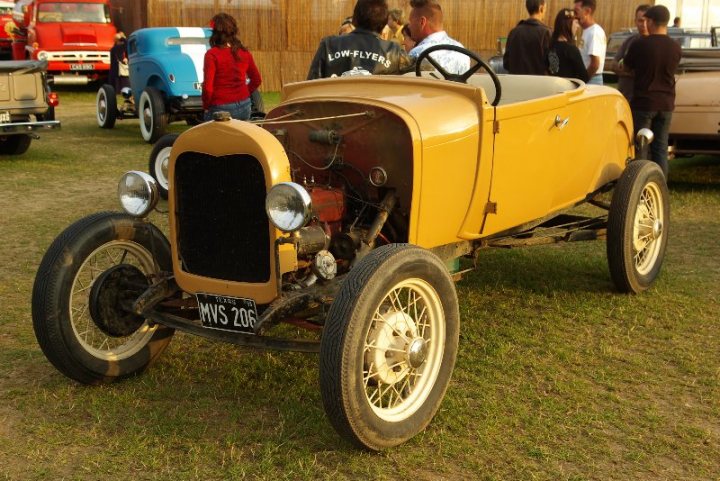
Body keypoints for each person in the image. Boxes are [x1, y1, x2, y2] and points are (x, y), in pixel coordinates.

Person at [622, 5, 681, 178]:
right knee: (661, 148)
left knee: (641, 147)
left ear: (652, 22)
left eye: (646, 20)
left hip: (644, 102)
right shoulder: (675, 47)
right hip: (666, 103)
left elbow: (627, 67)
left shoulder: (640, 44)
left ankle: (640, 184)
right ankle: (660, 186)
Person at [307, 0, 412, 80]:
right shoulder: (395, 52)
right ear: (385, 23)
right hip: (378, 109)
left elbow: (311, 86)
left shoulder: (328, 45)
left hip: (333, 108)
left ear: (354, 19)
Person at [202, 13, 261, 122]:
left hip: (220, 107)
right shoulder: (244, 52)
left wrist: (206, 107)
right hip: (244, 105)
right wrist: (244, 93)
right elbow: (257, 80)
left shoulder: (212, 55)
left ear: (215, 33)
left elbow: (208, 88)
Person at [407, 0, 469, 75]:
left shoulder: (417, 53)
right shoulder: (461, 50)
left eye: (411, 21)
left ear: (422, 22)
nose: (409, 26)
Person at [613, 4, 650, 102]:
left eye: (647, 20)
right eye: (641, 20)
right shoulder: (629, 41)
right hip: (625, 97)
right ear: (635, 21)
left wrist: (625, 70)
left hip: (643, 101)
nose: (644, 24)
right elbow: (613, 65)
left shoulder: (655, 44)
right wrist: (629, 71)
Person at [503, 0, 551, 75]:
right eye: (545, 9)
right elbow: (554, 66)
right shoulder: (547, 33)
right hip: (541, 84)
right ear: (541, 8)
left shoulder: (513, 32)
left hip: (516, 84)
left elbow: (506, 63)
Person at [547, 9, 588, 81]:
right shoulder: (571, 50)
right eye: (576, 23)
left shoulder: (549, 47)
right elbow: (584, 77)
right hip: (569, 90)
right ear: (568, 24)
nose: (578, 26)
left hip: (552, 90)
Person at [573, 0, 606, 85]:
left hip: (592, 80)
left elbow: (595, 64)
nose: (574, 16)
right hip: (590, 78)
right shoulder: (588, 30)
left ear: (587, 11)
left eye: (576, 11)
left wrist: (583, 80)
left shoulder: (594, 32)